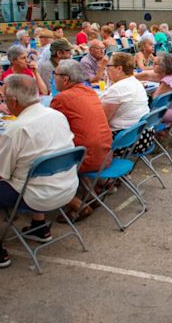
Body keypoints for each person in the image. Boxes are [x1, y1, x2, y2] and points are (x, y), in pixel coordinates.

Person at [0, 74, 78, 268]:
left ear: (13, 101)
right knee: (32, 169)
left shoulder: (17, 129)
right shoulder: (57, 115)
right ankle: (39, 228)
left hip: (36, 195)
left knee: (21, 175)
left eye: (5, 99)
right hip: (66, 187)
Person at [50, 59, 112, 222]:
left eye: (54, 75)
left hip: (87, 158)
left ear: (65, 79)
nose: (53, 78)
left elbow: (48, 128)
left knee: (38, 161)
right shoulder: (90, 91)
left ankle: (78, 205)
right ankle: (92, 193)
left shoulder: (62, 99)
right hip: (105, 153)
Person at [101, 52, 151, 154]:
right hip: (143, 134)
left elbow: (102, 121)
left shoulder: (118, 89)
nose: (106, 69)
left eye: (108, 66)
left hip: (125, 140)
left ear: (119, 69)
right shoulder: (135, 82)